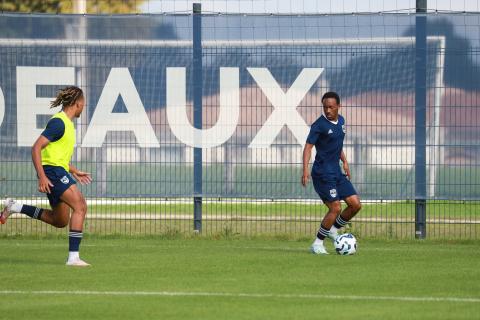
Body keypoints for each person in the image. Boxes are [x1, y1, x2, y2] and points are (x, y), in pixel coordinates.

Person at [1, 86, 92, 266]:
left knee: (59, 220)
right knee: (80, 205)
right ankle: (73, 258)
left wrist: (74, 171)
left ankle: (15, 206)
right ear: (77, 104)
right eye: (83, 104)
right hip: (53, 173)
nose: (84, 107)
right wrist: (42, 177)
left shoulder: (67, 124)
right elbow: (36, 148)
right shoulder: (59, 123)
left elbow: (55, 155)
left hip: (59, 170)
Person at [301, 91, 362, 254]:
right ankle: (317, 244)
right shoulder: (319, 125)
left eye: (330, 107)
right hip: (322, 173)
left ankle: (333, 230)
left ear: (338, 107)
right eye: (325, 107)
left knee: (355, 205)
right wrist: (305, 169)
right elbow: (308, 147)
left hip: (336, 171)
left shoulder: (341, 121)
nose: (327, 110)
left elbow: (337, 144)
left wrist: (345, 161)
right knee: (335, 208)